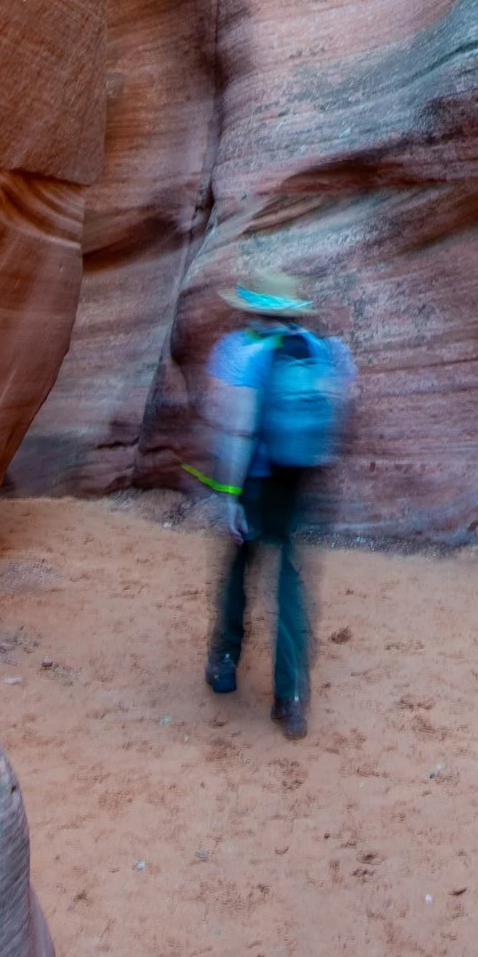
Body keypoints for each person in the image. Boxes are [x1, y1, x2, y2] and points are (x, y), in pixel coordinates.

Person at [197, 272, 356, 739]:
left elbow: (236, 427)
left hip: (256, 479)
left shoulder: (240, 351)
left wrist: (228, 496)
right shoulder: (322, 349)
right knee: (290, 584)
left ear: (251, 309)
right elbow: (344, 405)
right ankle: (291, 699)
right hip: (298, 479)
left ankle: (224, 663)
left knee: (239, 566)